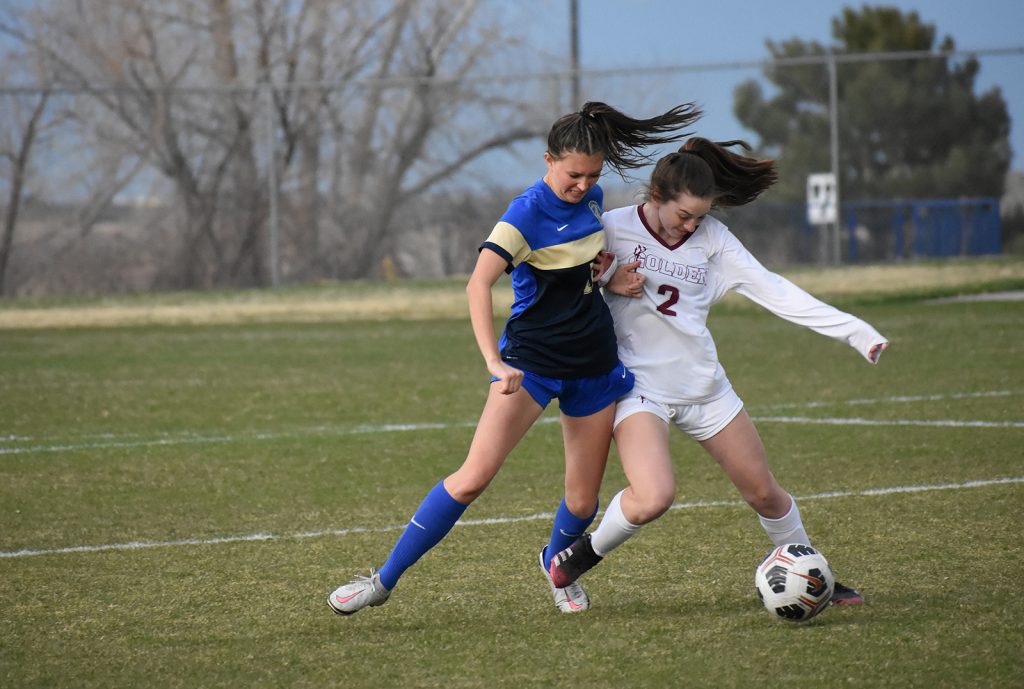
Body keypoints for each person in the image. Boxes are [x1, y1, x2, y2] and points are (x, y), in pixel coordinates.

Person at [328, 101, 702, 616]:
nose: (582, 184)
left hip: (593, 366)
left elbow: (575, 273)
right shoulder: (523, 214)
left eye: (591, 175)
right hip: (530, 364)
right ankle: (383, 580)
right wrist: (494, 363)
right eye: (572, 174)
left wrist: (608, 278)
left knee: (582, 503)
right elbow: (477, 284)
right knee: (472, 478)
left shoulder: (592, 199)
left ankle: (557, 566)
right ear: (548, 160)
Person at [548, 138, 889, 607]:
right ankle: (582, 555)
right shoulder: (611, 228)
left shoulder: (714, 241)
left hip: (705, 388)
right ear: (655, 198)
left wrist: (855, 332)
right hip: (638, 388)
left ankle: (814, 580)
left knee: (766, 494)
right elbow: (561, 277)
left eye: (700, 216)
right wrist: (604, 277)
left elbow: (776, 290)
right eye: (683, 215)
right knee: (653, 497)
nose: (692, 224)